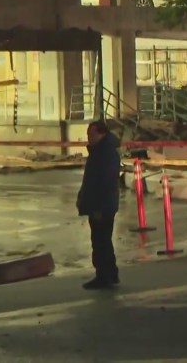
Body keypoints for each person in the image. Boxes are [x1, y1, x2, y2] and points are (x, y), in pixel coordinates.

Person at [76, 120, 121, 289]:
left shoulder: (105, 153)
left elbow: (104, 182)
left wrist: (97, 206)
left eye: (91, 134)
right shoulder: (101, 151)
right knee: (103, 241)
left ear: (100, 133)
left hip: (102, 205)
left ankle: (104, 275)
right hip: (102, 203)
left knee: (100, 241)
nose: (88, 137)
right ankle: (109, 273)